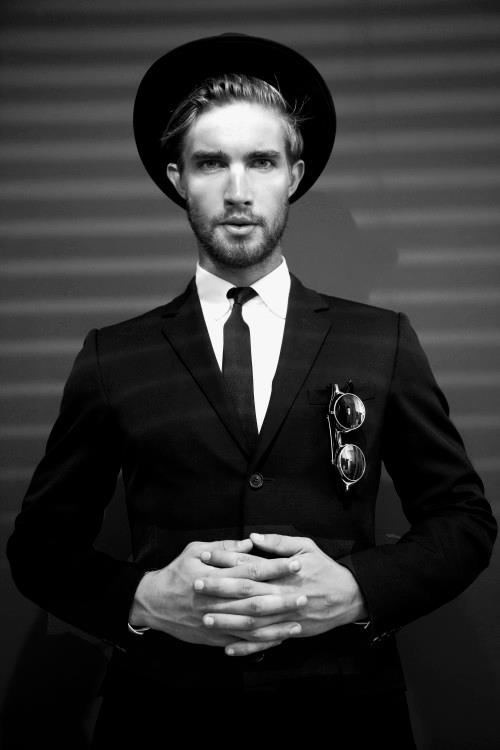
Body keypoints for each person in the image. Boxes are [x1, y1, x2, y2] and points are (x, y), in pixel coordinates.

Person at [7, 33, 497, 748]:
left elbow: (464, 519)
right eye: (211, 162)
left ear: (293, 175)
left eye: (261, 161)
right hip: (160, 715)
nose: (238, 191)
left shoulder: (381, 340)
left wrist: (359, 591)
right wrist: (141, 599)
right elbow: (39, 546)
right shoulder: (115, 355)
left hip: (348, 713)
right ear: (178, 177)